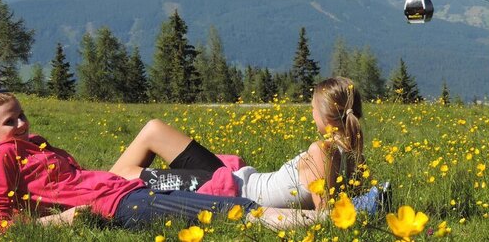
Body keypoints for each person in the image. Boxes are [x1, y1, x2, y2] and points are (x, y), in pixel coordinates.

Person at [0, 89, 260, 233]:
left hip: (109, 184)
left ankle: (240, 180)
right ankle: (247, 184)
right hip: (110, 197)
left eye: (21, 115)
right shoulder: (5, 156)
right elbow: (1, 225)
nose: (22, 124)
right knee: (225, 186)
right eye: (11, 122)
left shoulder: (33, 145)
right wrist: (62, 219)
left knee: (155, 129)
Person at [112, 76, 369, 211]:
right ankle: (93, 193)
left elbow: (326, 215)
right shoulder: (353, 155)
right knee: (154, 129)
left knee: (127, 174)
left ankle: (92, 199)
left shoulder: (321, 151)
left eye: (312, 107)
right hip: (235, 178)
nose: (311, 113)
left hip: (226, 189)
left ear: (325, 115)